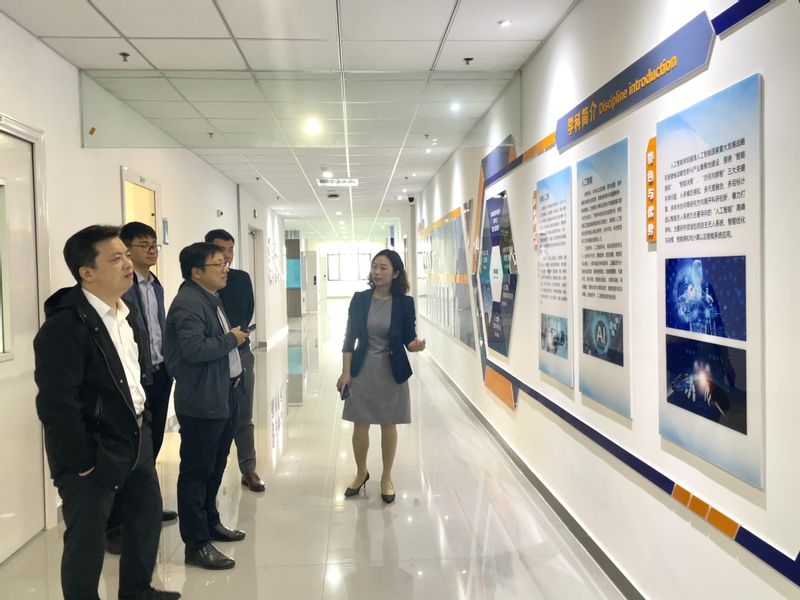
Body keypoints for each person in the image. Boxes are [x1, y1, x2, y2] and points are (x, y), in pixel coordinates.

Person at [34, 225, 179, 600]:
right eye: (116, 258)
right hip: (93, 450)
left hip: (135, 436)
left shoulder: (126, 314)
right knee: (87, 541)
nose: (128, 263)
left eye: (126, 255)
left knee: (145, 520)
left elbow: (132, 378)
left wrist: (145, 424)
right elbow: (56, 404)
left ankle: (137, 592)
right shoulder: (65, 326)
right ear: (87, 272)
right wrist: (80, 461)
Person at [164, 242, 249, 570]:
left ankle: (211, 522)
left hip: (222, 394)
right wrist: (232, 339)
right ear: (196, 272)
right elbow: (195, 349)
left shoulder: (209, 296)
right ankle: (196, 543)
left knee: (215, 465)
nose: (226, 268)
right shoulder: (188, 302)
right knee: (196, 472)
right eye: (218, 264)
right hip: (201, 399)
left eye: (225, 263)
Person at [336, 249, 425, 503]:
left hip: (391, 371)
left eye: (383, 268)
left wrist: (415, 345)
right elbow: (349, 338)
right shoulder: (360, 299)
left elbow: (408, 337)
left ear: (395, 273)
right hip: (362, 370)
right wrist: (346, 372)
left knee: (388, 423)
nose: (377, 272)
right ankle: (361, 472)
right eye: (374, 266)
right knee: (360, 423)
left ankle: (386, 477)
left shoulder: (404, 303)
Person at [120, 221, 177, 521]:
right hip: (136, 375)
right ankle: (131, 510)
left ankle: (147, 505)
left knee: (153, 440)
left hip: (160, 372)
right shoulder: (122, 287)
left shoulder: (155, 285)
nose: (152, 250)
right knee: (135, 444)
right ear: (127, 250)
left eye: (154, 245)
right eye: (144, 245)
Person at [204, 229, 264, 493]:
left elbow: (247, 310)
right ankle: (210, 473)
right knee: (213, 415)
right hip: (211, 357)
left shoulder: (240, 279)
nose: (227, 256)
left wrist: (235, 337)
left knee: (243, 413)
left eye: (230, 250)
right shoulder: (199, 284)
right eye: (221, 250)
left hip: (240, 351)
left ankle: (248, 469)